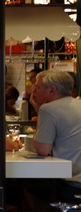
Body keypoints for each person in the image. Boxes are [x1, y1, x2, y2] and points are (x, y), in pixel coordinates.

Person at [29, 70, 81, 201]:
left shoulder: (48, 109)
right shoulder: (78, 103)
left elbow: (42, 150)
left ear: (52, 90)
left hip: (72, 182)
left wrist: (39, 109)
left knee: (29, 186)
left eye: (38, 87)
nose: (34, 90)